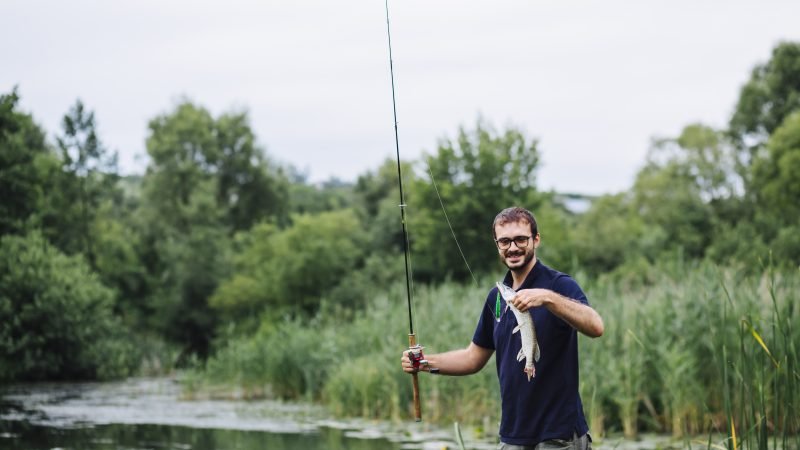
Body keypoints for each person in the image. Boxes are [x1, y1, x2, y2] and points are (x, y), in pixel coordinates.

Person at [401, 206, 604, 450]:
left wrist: (548, 299)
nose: (513, 247)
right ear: (497, 244)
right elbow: (472, 358)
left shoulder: (558, 285)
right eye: (505, 241)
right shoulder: (497, 298)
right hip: (513, 435)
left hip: (558, 434)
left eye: (521, 239)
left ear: (536, 240)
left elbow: (595, 326)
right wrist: (423, 363)